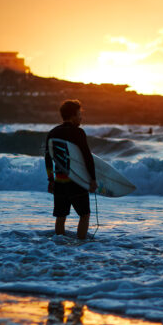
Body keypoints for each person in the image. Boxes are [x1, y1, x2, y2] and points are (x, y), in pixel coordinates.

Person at [45, 100, 98, 239]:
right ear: (72, 116)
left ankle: (59, 246)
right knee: (84, 215)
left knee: (61, 217)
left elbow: (48, 158)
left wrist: (51, 180)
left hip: (60, 181)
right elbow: (87, 157)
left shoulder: (53, 132)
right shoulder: (78, 132)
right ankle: (81, 244)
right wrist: (93, 179)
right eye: (79, 114)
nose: (81, 117)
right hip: (76, 181)